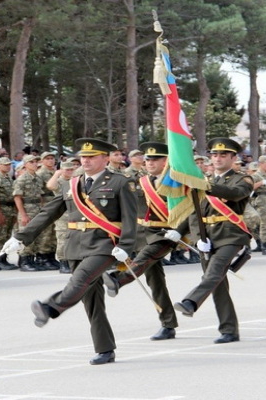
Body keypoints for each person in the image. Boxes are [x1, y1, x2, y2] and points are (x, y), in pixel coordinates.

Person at [3, 138, 137, 365]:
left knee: (81, 279)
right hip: (75, 245)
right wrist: (21, 237)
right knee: (91, 299)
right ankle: (105, 349)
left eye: (91, 156)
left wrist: (126, 246)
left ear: (105, 158)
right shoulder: (71, 184)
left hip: (104, 246)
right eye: (83, 157)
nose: (85, 161)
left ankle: (50, 307)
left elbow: (130, 218)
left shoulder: (121, 183)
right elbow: (49, 213)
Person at [172, 137, 253, 344]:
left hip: (230, 235)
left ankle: (191, 302)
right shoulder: (205, 180)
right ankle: (229, 330)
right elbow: (194, 211)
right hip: (206, 237)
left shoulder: (242, 179)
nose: (217, 158)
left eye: (223, 155)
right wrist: (187, 235)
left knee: (213, 273)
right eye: (214, 155)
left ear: (233, 158)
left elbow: (235, 195)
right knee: (217, 284)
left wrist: (206, 185)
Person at [102, 142, 180, 341]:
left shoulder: (176, 180)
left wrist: (181, 231)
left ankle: (120, 280)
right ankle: (168, 324)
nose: (150, 163)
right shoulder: (137, 180)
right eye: (148, 159)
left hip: (165, 232)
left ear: (166, 161)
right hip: (142, 233)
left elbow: (187, 207)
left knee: (146, 257)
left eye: (155, 159)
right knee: (155, 280)